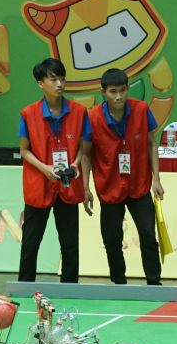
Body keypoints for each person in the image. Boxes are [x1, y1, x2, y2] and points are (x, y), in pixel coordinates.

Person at [83, 68, 164, 285]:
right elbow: (86, 155)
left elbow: (151, 144)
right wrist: (86, 188)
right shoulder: (92, 117)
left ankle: (154, 282)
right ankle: (119, 283)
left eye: (122, 90)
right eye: (113, 92)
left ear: (128, 89)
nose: (118, 96)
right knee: (112, 241)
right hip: (109, 188)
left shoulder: (141, 110)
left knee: (148, 236)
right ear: (103, 92)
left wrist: (156, 179)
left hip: (139, 185)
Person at [17, 57, 91, 283]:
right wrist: (45, 168)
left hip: (68, 185)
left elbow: (83, 148)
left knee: (70, 244)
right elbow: (24, 151)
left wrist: (75, 165)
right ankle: (25, 286)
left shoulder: (79, 112)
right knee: (31, 242)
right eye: (53, 79)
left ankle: (70, 288)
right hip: (39, 185)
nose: (59, 84)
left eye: (62, 79)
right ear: (41, 83)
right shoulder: (28, 114)